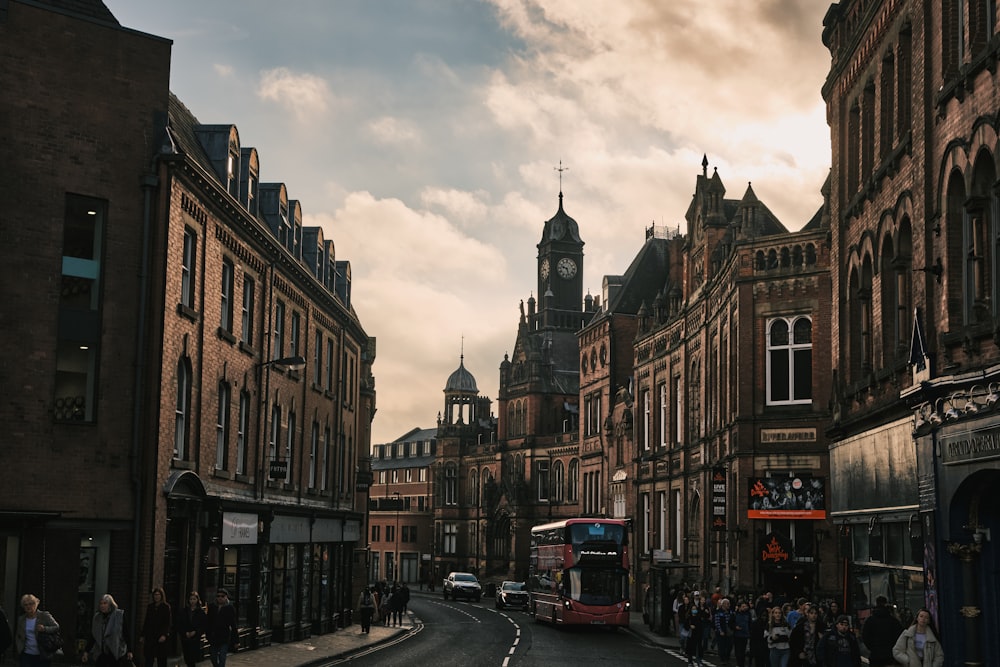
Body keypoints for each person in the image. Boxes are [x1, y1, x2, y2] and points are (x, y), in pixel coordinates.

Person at [81, 594, 132, 667]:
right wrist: (86, 651)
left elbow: (126, 633)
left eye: (105, 603)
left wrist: (129, 650)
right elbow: (93, 635)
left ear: (110, 604)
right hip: (101, 652)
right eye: (101, 603)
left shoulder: (119, 615)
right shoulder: (97, 617)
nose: (102, 606)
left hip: (115, 651)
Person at [14, 594, 59, 667]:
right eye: (26, 605)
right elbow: (18, 635)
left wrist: (45, 629)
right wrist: (19, 647)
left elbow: (56, 627)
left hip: (42, 654)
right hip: (26, 654)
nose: (28, 606)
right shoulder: (21, 619)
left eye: (31, 604)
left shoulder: (44, 616)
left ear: (36, 604)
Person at [862, 596, 903, 667]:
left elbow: (865, 637)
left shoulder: (870, 621)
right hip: (890, 655)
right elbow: (899, 637)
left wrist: (872, 648)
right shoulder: (893, 621)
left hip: (875, 655)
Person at [205, 589, 237, 667]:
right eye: (218, 596)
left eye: (222, 596)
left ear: (226, 597)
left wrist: (236, 640)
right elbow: (208, 622)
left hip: (224, 636)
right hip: (214, 636)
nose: (220, 598)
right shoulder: (212, 607)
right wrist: (207, 634)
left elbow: (233, 624)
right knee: (213, 657)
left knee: (222, 657)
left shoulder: (230, 608)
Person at [141, 587, 171, 667]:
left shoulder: (165, 607)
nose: (156, 597)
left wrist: (164, 634)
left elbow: (167, 622)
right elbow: (147, 621)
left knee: (161, 659)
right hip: (150, 636)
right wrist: (143, 635)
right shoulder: (150, 607)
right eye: (155, 595)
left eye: (158, 595)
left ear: (161, 596)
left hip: (160, 636)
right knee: (149, 658)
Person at [176, 592, 207, 667]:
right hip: (185, 638)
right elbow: (179, 624)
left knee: (192, 658)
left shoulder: (201, 612)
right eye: (191, 599)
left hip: (195, 638)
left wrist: (196, 632)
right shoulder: (184, 611)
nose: (192, 601)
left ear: (197, 600)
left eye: (194, 599)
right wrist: (184, 633)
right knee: (187, 658)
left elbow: (204, 625)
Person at [714, 598, 734, 665]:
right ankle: (722, 659)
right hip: (721, 632)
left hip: (729, 632)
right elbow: (717, 623)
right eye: (727, 604)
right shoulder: (718, 612)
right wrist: (720, 631)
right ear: (723, 604)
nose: (729, 605)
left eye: (729, 604)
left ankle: (727, 659)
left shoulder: (730, 612)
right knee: (721, 647)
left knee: (729, 646)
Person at [732, 600, 751, 667]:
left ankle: (742, 664)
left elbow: (750, 623)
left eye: (745, 606)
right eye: (743, 606)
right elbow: (730, 623)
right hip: (737, 635)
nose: (744, 608)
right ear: (739, 607)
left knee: (743, 651)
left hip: (745, 635)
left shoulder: (748, 614)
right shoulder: (734, 614)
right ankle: (739, 663)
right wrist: (735, 627)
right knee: (738, 651)